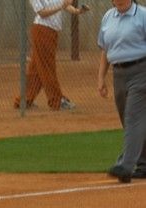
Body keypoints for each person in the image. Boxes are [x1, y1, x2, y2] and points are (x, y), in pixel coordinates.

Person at [98, 0, 146, 183]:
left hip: (141, 70)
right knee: (129, 118)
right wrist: (101, 77)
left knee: (133, 117)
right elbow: (105, 49)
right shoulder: (108, 17)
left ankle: (126, 165)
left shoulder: (142, 15)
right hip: (118, 73)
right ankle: (143, 164)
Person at [14, 0, 90, 111]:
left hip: (52, 31)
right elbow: (42, 13)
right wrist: (61, 6)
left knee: (36, 69)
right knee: (48, 67)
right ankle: (57, 100)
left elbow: (65, 5)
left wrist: (78, 11)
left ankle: (24, 100)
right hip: (42, 30)